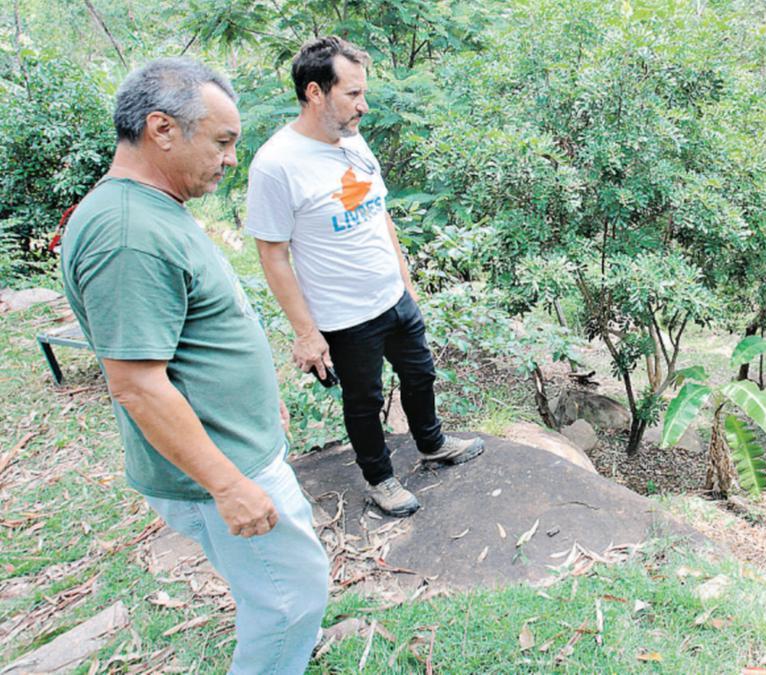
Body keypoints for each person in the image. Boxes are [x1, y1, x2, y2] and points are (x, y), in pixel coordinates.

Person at [61, 58, 328, 674]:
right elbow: (136, 384)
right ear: (161, 129)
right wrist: (230, 485)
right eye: (223, 141)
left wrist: (257, 402)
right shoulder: (127, 232)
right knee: (289, 601)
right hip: (221, 470)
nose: (232, 158)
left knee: (279, 590)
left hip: (234, 444)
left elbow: (185, 339)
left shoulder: (151, 209)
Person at [246, 36, 484, 518]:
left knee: (420, 374)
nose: (364, 105)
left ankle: (432, 443)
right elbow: (273, 255)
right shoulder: (276, 165)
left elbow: (380, 215)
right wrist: (306, 333)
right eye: (353, 94)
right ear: (315, 93)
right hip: (344, 313)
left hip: (392, 296)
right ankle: (380, 479)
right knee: (364, 400)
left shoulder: (353, 140)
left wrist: (405, 280)